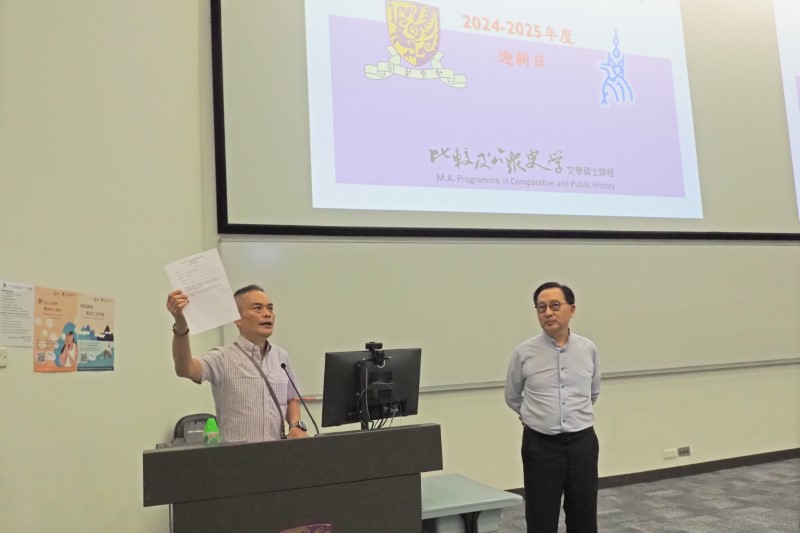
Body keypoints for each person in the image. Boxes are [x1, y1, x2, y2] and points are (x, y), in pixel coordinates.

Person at [504, 282, 601, 533]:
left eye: (555, 306)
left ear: (572, 309)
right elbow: (513, 396)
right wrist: (535, 416)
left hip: (582, 445)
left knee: (583, 516)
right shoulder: (524, 352)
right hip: (541, 446)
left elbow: (592, 392)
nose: (548, 313)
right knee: (541, 517)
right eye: (541, 307)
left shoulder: (588, 349)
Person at [166, 284, 309, 443]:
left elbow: (290, 399)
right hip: (236, 456)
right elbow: (185, 369)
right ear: (238, 319)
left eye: (270, 308)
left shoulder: (281, 357)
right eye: (257, 308)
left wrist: (296, 425)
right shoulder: (222, 358)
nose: (267, 314)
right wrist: (181, 325)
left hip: (277, 453)